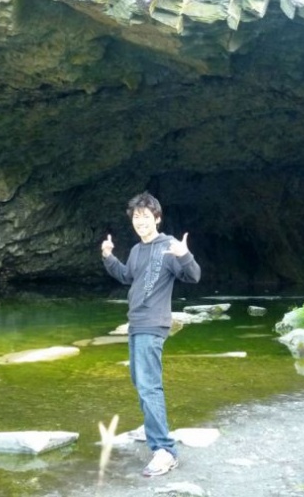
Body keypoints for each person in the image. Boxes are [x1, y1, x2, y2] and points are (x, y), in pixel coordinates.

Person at [101, 191, 201, 477]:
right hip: (136, 323)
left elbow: (194, 276)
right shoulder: (135, 251)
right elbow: (126, 277)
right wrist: (108, 257)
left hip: (153, 324)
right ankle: (156, 434)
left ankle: (165, 450)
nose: (140, 222)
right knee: (141, 381)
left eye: (146, 217)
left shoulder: (168, 245)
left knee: (149, 386)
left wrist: (184, 256)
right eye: (136, 217)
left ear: (157, 218)